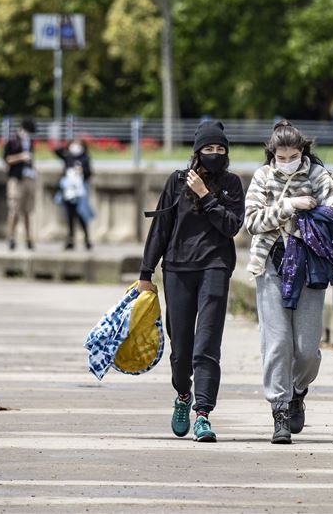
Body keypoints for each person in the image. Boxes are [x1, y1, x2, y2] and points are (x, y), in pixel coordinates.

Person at [137, 121, 244, 443]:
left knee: (207, 346)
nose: (214, 155)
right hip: (177, 269)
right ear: (197, 152)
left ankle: (203, 414)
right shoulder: (177, 182)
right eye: (208, 149)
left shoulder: (232, 184)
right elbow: (161, 229)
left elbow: (231, 227)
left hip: (216, 266)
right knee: (181, 349)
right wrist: (145, 273)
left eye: (220, 149)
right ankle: (183, 395)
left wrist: (206, 196)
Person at [244, 120, 333, 445]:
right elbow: (252, 221)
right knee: (276, 344)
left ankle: (298, 390)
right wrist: (288, 206)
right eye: (280, 155)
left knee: (306, 348)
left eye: (292, 155)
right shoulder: (262, 178)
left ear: (302, 151)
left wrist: (306, 220)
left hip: (310, 267)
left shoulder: (318, 176)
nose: (286, 160)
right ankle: (280, 411)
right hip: (270, 266)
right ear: (272, 154)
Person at [2, 117, 37, 251]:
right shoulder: (12, 142)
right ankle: (11, 237)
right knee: (14, 210)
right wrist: (21, 157)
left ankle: (29, 239)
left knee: (28, 210)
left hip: (29, 178)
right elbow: (7, 159)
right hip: (16, 179)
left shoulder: (30, 142)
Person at [54, 138, 93, 250]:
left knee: (81, 214)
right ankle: (70, 239)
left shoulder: (85, 158)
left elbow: (89, 173)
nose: (75, 147)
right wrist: (66, 146)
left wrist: (81, 171)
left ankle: (87, 238)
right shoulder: (68, 157)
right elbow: (56, 151)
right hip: (68, 191)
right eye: (74, 144)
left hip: (80, 191)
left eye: (78, 145)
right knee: (70, 216)